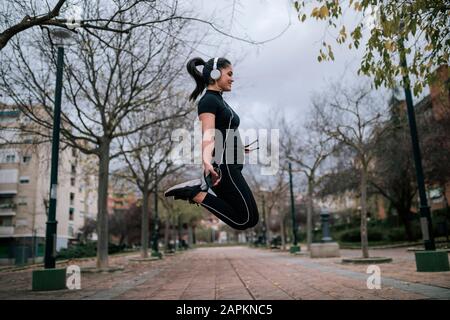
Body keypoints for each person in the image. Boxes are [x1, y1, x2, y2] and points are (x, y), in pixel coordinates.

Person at [164, 57, 259, 230]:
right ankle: (195, 194)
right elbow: (208, 135)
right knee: (245, 219)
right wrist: (206, 162)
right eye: (229, 74)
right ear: (216, 74)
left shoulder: (219, 100)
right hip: (225, 168)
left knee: (250, 218)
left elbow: (223, 131)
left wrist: (237, 147)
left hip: (231, 164)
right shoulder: (208, 101)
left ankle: (196, 193)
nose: (232, 78)